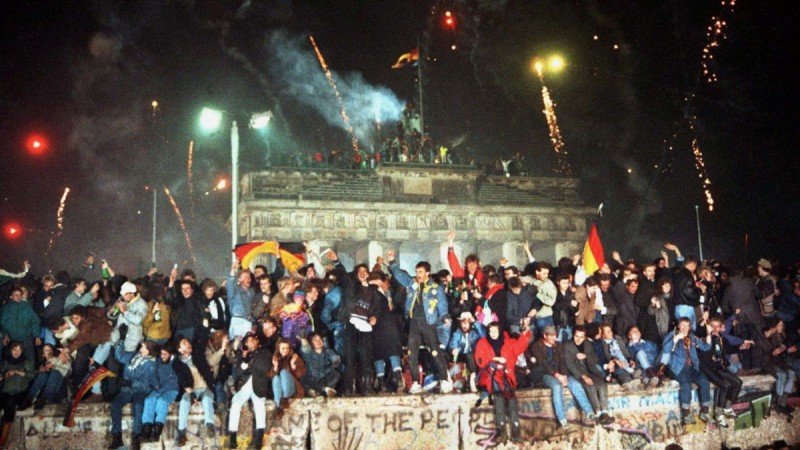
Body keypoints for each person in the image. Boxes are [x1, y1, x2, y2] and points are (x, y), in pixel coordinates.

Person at [388, 251, 454, 394]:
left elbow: (442, 306)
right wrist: (392, 262)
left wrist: (445, 317)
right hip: (414, 323)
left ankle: (444, 379)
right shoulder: (412, 284)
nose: (417, 274)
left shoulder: (436, 288)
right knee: (412, 353)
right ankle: (416, 382)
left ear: (427, 273)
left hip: (428, 322)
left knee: (435, 351)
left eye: (420, 271)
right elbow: (400, 276)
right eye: (417, 271)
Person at [529, 325, 598, 429]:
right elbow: (543, 364)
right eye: (551, 336)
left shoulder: (559, 345)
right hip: (547, 374)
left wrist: (564, 375)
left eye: (555, 335)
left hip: (561, 373)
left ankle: (589, 412)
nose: (554, 338)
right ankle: (562, 419)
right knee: (557, 387)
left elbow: (562, 361)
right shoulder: (536, 347)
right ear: (545, 336)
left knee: (575, 384)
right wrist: (557, 375)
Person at [474, 322, 531, 444]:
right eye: (491, 331)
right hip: (493, 377)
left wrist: (525, 334)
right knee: (499, 402)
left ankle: (516, 432)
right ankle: (502, 433)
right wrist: (493, 359)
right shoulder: (482, 343)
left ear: (499, 331)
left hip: (507, 376)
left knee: (512, 403)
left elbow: (520, 346)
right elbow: (479, 359)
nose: (493, 334)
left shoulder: (508, 342)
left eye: (495, 331)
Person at [661, 317, 714, 425]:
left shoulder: (692, 337)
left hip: (692, 367)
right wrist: (676, 339)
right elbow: (665, 349)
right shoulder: (672, 335)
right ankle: (686, 415)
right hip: (677, 367)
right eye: (682, 325)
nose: (685, 328)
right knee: (686, 384)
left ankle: (705, 412)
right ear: (678, 326)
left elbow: (706, 347)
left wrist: (709, 334)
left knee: (704, 381)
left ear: (690, 327)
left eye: (687, 325)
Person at [108, 341, 158, 450]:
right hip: (127, 390)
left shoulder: (151, 364)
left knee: (138, 405)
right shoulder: (134, 356)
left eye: (143, 347)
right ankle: (117, 437)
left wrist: (130, 382)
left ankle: (137, 437)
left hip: (140, 390)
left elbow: (145, 382)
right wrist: (120, 342)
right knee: (116, 403)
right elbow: (120, 356)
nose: (141, 348)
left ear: (149, 350)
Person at [563, 325, 615, 425]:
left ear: (585, 337)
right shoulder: (567, 345)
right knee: (590, 386)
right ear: (573, 335)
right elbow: (570, 365)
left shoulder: (587, 343)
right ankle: (598, 413)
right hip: (577, 374)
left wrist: (586, 356)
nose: (578, 339)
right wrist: (584, 377)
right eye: (576, 336)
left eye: (581, 337)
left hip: (589, 371)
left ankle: (604, 413)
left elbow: (595, 359)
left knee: (602, 385)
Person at [228, 332, 270, 449]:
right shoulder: (242, 355)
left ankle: (259, 438)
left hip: (259, 385)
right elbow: (238, 372)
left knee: (259, 406)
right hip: (244, 387)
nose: (251, 342)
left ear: (257, 341)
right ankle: (232, 438)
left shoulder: (265, 352)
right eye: (248, 341)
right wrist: (245, 361)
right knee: (235, 404)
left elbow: (265, 366)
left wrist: (252, 357)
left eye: (253, 340)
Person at [697, 316, 741, 426]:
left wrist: (741, 346)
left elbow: (726, 351)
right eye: (712, 326)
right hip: (708, 368)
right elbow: (699, 331)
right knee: (724, 385)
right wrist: (703, 322)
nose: (715, 328)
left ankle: (727, 407)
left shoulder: (721, 338)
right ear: (709, 327)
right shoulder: (706, 338)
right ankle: (719, 413)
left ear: (721, 327)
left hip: (719, 367)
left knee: (738, 383)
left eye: (717, 326)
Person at [174, 338, 216, 445]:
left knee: (207, 399)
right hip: (192, 389)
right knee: (184, 401)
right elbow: (182, 381)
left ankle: (210, 425)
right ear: (180, 349)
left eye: (188, 342)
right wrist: (192, 394)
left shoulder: (197, 356)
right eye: (184, 343)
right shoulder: (177, 363)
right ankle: (182, 432)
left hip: (205, 387)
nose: (188, 344)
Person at [141, 343, 179, 443]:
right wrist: (156, 384)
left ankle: (157, 431)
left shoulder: (176, 363)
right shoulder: (158, 361)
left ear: (171, 354)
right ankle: (146, 429)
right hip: (159, 388)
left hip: (171, 389)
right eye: (161, 354)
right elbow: (153, 374)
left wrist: (160, 389)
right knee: (149, 400)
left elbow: (174, 382)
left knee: (161, 402)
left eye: (165, 354)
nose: (162, 356)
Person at [0, 341, 34, 448]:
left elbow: (31, 375)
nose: (16, 352)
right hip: (6, 391)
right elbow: (1, 374)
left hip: (20, 393)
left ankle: (2, 443)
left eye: (19, 350)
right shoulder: (5, 362)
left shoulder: (26, 362)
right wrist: (3, 375)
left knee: (10, 405)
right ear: (10, 350)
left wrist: (16, 372)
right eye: (14, 350)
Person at [24, 344, 71, 410]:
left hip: (59, 392)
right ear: (43, 354)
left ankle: (45, 398)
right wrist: (39, 371)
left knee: (55, 373)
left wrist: (55, 366)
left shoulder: (60, 359)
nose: (49, 351)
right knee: (43, 375)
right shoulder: (41, 364)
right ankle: (29, 400)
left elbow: (67, 371)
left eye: (50, 349)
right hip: (42, 396)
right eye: (46, 350)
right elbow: (31, 375)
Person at [0, 286, 40, 363]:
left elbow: (35, 321)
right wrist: (5, 334)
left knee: (30, 357)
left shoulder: (27, 306)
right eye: (16, 295)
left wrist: (37, 336)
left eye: (20, 295)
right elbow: (2, 323)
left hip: (26, 337)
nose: (18, 297)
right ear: (11, 296)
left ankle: (30, 370)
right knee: (11, 357)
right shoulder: (5, 308)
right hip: (12, 337)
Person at [448, 312, 485, 393]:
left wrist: (475, 323)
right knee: (464, 358)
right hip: (461, 355)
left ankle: (472, 379)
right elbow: (453, 342)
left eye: (466, 323)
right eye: (462, 323)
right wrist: (454, 348)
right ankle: (459, 382)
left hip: (472, 355)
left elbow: (483, 336)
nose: (464, 325)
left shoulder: (475, 332)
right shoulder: (457, 332)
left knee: (470, 356)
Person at [269, 338, 307, 416]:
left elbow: (301, 374)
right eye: (283, 348)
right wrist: (275, 366)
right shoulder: (275, 358)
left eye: (287, 348)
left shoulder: (294, 357)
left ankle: (285, 398)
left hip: (293, 388)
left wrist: (293, 365)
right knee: (276, 378)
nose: (285, 350)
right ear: (278, 349)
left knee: (283, 372)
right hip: (280, 390)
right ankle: (279, 406)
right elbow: (271, 376)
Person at [299, 333, 341, 397]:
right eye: (315, 340)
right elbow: (305, 347)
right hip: (313, 378)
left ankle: (321, 391)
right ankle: (324, 390)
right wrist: (303, 338)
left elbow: (334, 357)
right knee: (303, 379)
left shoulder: (327, 351)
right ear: (311, 342)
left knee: (336, 374)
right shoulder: (309, 352)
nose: (318, 341)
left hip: (325, 377)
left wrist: (336, 361)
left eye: (320, 339)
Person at [227, 258, 255, 339]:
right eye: (245, 277)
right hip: (238, 321)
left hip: (249, 322)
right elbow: (230, 284)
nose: (248, 279)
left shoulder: (252, 291)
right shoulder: (235, 291)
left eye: (249, 277)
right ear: (239, 279)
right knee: (237, 344)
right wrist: (233, 269)